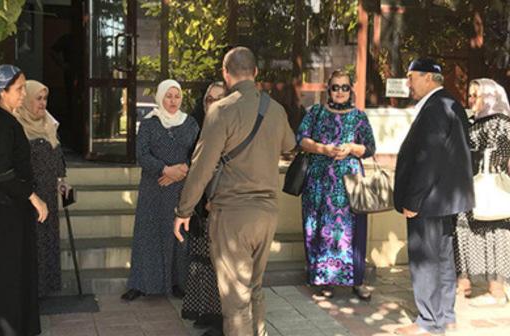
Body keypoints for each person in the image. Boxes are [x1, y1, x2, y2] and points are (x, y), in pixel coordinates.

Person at [174, 47, 296, 336]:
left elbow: (201, 167)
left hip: (232, 215)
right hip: (266, 213)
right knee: (254, 290)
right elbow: (290, 145)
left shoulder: (221, 110)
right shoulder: (276, 110)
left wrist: (184, 210)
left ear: (225, 74)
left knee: (236, 304)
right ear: (255, 73)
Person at [393, 58, 474, 336]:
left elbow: (428, 159)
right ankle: (445, 316)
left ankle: (428, 322)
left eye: (411, 77)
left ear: (428, 78)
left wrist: (413, 200)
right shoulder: (452, 103)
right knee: (442, 258)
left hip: (428, 200)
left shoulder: (435, 108)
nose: (408, 83)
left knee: (425, 260)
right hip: (445, 199)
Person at [0, 65, 49, 336]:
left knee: (0, 269)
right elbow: (2, 174)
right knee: (6, 271)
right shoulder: (1, 123)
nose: (23, 94)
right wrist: (34, 198)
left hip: (0, 208)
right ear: (1, 92)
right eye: (18, 89)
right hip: (5, 211)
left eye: (24, 87)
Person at [297, 70, 376, 300]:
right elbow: (301, 139)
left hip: (349, 185)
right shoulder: (316, 113)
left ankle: (357, 281)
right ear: (328, 90)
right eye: (335, 87)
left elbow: (370, 148)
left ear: (351, 90)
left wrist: (352, 148)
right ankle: (325, 280)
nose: (340, 91)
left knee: (353, 232)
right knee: (320, 229)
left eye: (344, 87)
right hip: (319, 183)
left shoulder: (359, 117)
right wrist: (324, 149)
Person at [121, 79, 200, 301]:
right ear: (160, 97)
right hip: (153, 188)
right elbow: (142, 155)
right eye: (168, 96)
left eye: (177, 96)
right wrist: (165, 169)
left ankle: (177, 283)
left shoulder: (191, 123)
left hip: (179, 188)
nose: (173, 100)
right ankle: (140, 284)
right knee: (148, 235)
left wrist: (182, 170)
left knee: (178, 236)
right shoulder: (149, 123)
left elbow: (199, 154)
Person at [454, 78, 510, 307]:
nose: (471, 100)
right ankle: (463, 283)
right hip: (472, 188)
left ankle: (496, 291)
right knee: (464, 230)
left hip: (490, 188)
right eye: (470, 95)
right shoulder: (472, 123)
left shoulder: (500, 124)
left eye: (476, 95)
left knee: (493, 234)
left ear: (489, 96)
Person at [181, 82, 227, 336]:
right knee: (203, 262)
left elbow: (227, 168)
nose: (212, 103)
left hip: (220, 205)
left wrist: (216, 198)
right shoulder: (198, 127)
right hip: (201, 205)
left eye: (219, 99)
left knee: (221, 264)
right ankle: (208, 311)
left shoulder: (230, 128)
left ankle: (222, 318)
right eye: (209, 99)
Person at [15, 80, 68, 298]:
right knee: (32, 243)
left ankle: (45, 288)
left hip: (49, 192)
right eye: (38, 98)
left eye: (45, 99)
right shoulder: (17, 125)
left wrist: (64, 184)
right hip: (29, 195)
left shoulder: (49, 124)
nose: (43, 103)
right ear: (27, 99)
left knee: (47, 240)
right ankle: (29, 291)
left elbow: (58, 159)